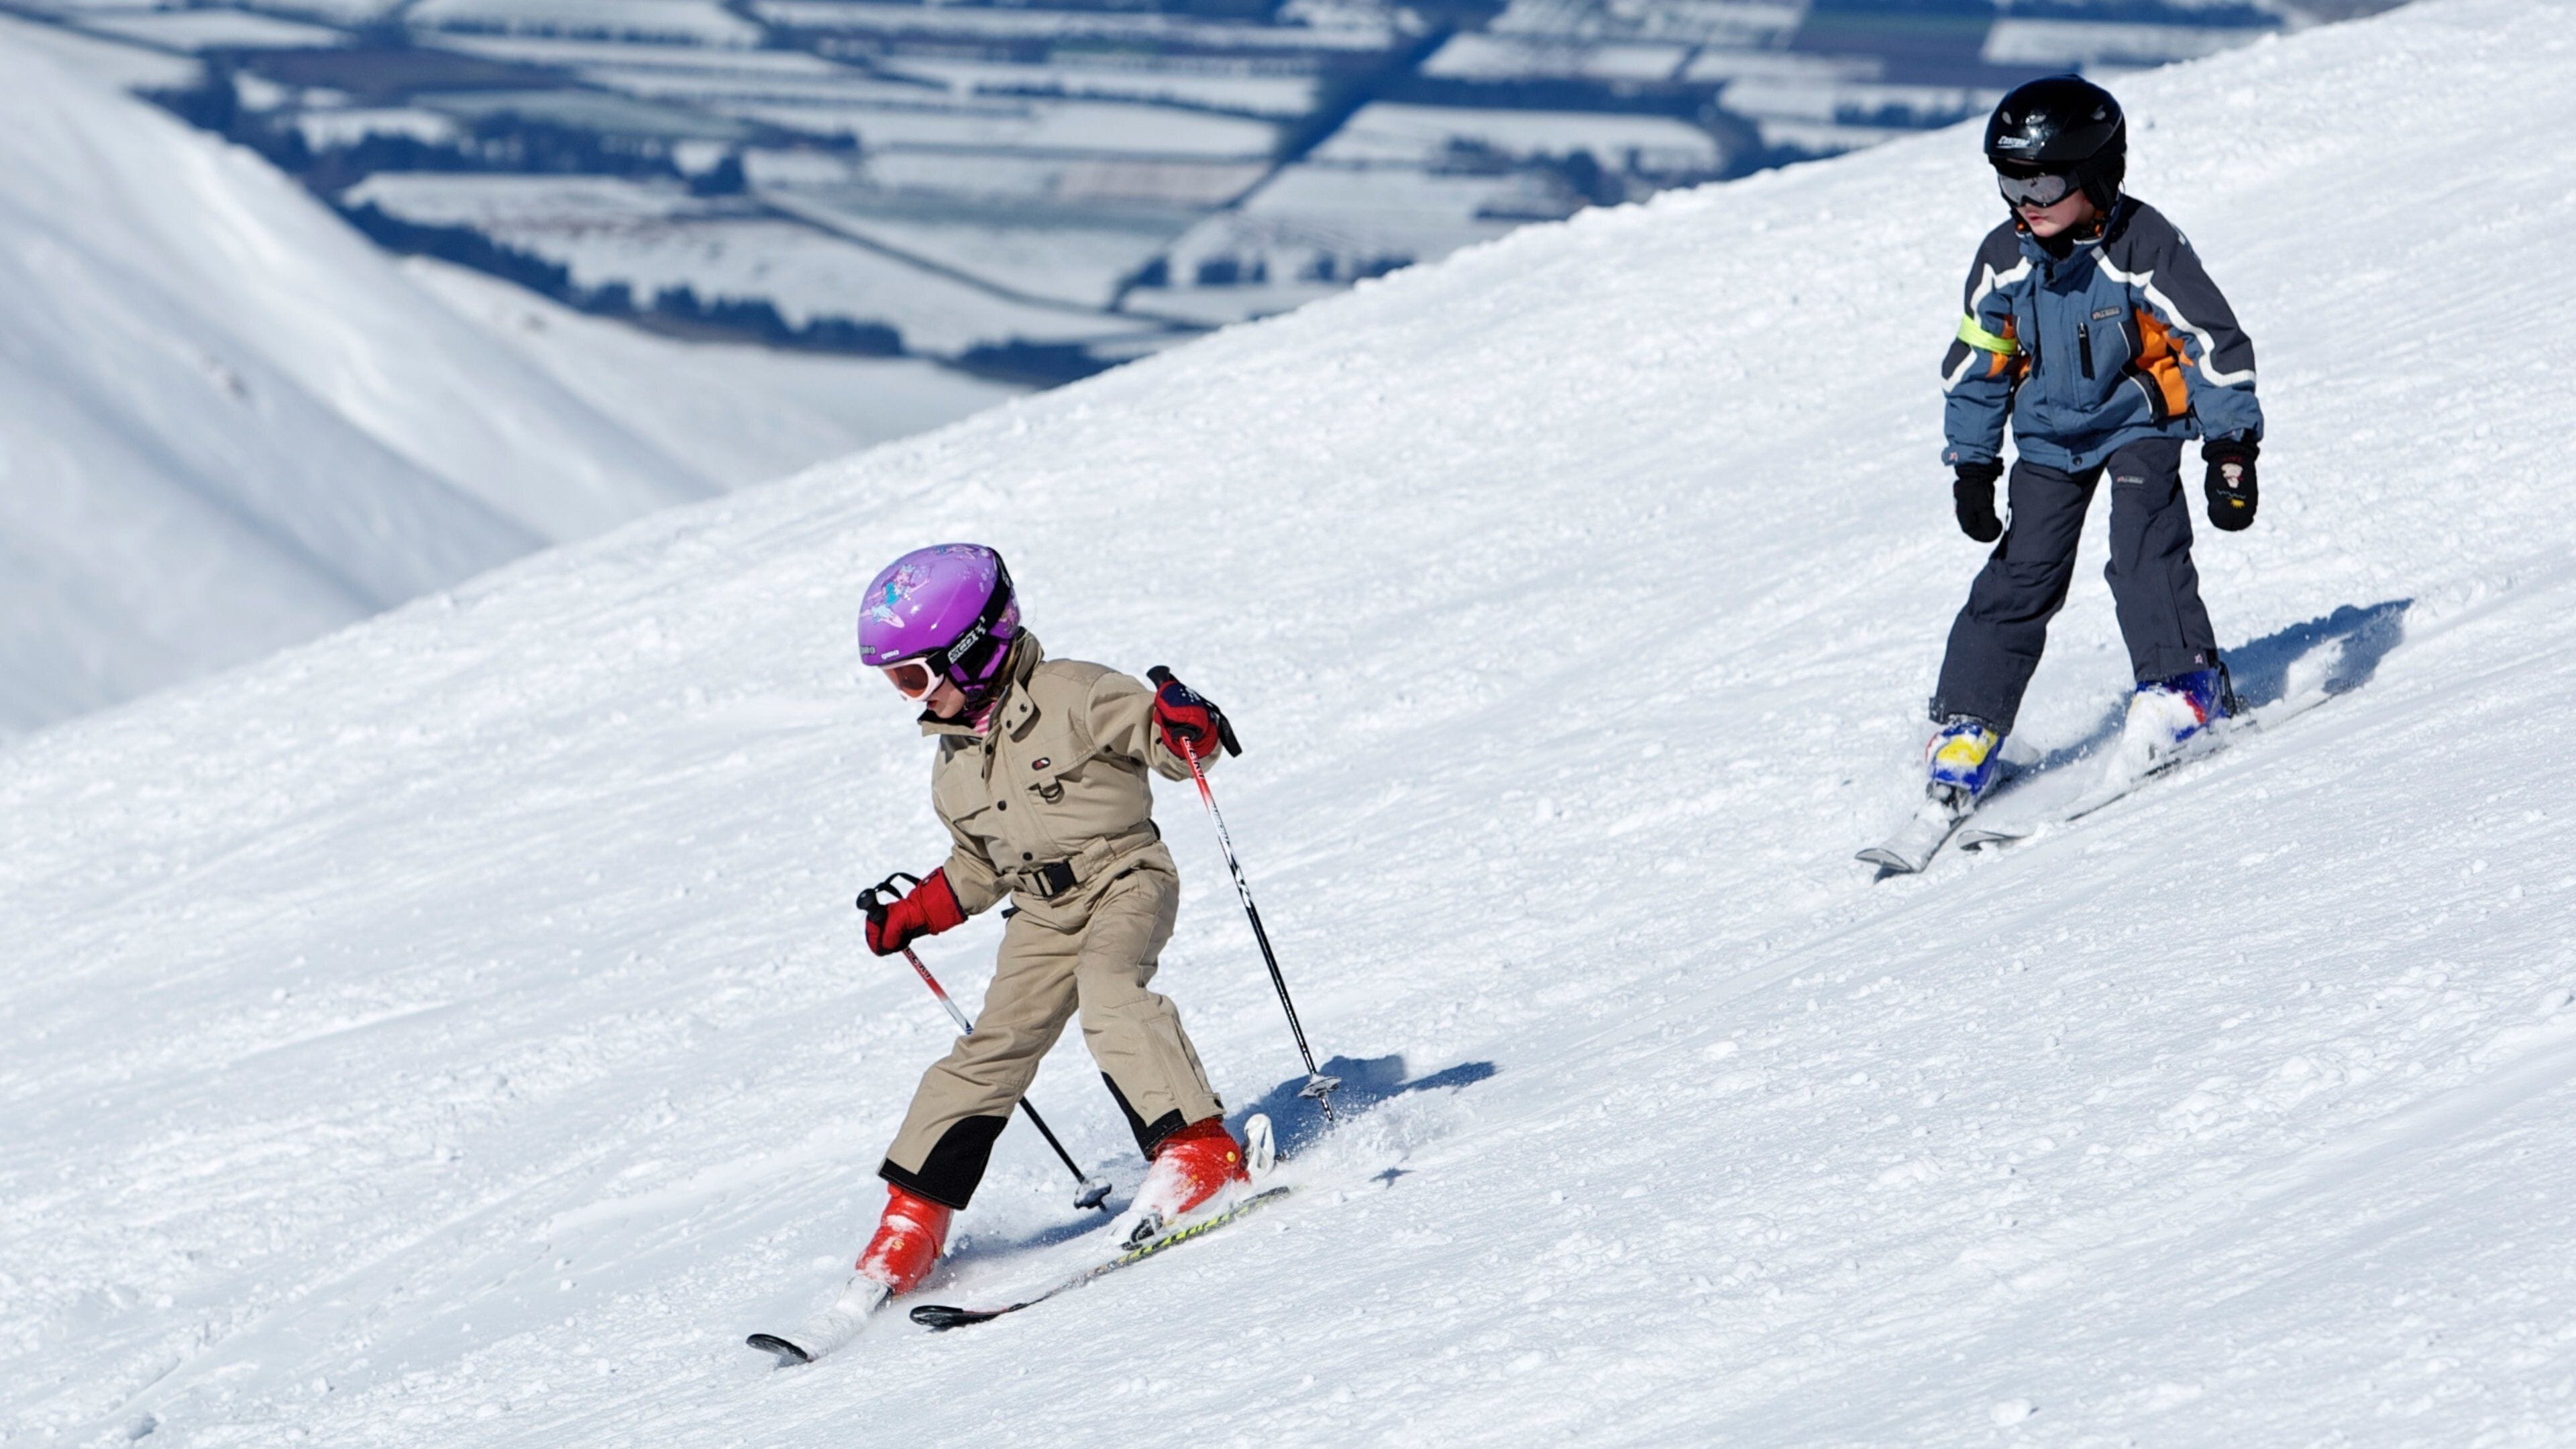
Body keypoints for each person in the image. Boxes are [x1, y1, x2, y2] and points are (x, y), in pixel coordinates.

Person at [846, 542, 1251, 1297]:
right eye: (894, 680)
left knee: (1110, 993)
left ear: (971, 652)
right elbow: (978, 863)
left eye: (913, 676)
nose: (909, 698)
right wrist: (919, 911)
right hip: (1038, 912)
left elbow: (1165, 743)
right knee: (989, 1049)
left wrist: (1185, 727)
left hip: (1124, 875)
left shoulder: (1077, 693)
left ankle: (1200, 1152)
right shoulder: (955, 760)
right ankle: (913, 1219)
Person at [1923, 74, 2263, 808]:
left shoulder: (2144, 246)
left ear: (2095, 174)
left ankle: (2184, 686)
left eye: (2043, 183)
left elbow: (2211, 341)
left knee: (2143, 549)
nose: (2026, 203)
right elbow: (1979, 363)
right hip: (2049, 434)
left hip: (2141, 420)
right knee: (2023, 573)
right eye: (2010, 182)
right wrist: (1974, 463)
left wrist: (2231, 446)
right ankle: (1968, 722)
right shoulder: (2005, 257)